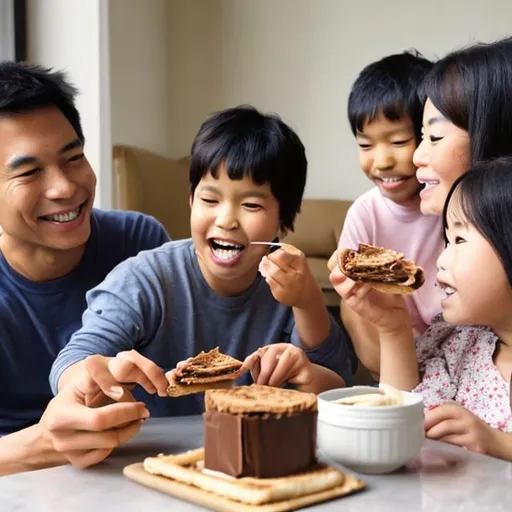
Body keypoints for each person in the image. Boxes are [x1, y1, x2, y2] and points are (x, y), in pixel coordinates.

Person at [48, 105, 353, 440]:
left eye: (251, 205)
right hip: (152, 454)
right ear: (191, 200)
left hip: (256, 455)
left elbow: (339, 384)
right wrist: (99, 372)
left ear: (284, 220)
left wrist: (307, 302)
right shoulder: (146, 279)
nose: (226, 219)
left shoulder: (288, 286)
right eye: (210, 199)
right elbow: (74, 360)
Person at [0, 61, 169, 475]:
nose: (64, 187)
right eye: (29, 172)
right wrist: (41, 443)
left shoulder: (139, 243)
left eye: (73, 157)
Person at [343, 37, 512, 377]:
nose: (416, 157)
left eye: (432, 138)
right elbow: (408, 406)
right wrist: (390, 326)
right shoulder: (459, 342)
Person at [332, 158, 512, 461]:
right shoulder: (459, 344)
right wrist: (393, 327)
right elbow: (401, 413)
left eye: (459, 240)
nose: (441, 260)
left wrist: (500, 445)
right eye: (446, 241)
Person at [338, 51, 441, 378]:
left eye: (398, 141)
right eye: (366, 145)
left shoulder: (450, 203)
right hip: (394, 351)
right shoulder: (366, 212)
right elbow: (354, 305)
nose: (381, 161)